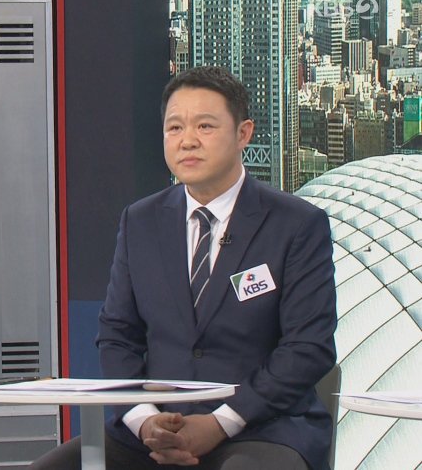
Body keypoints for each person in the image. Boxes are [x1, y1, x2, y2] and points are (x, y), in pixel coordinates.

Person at [31, 66, 337, 469]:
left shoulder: (296, 224)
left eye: (205, 126)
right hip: (151, 433)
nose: (187, 140)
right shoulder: (140, 221)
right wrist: (144, 420)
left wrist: (221, 422)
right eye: (174, 128)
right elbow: (117, 337)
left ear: (243, 133)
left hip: (262, 428)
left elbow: (308, 348)